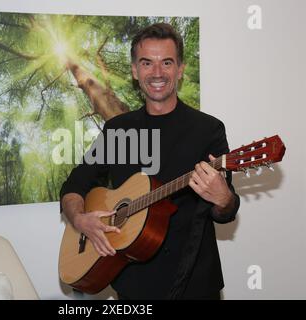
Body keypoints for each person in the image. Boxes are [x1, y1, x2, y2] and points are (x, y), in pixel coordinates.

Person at [59, 23, 240, 300]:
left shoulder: (209, 129)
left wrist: (223, 198)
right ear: (135, 70)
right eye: (147, 63)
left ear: (179, 70)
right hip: (132, 285)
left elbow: (226, 210)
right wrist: (80, 220)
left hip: (195, 283)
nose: (157, 73)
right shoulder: (118, 130)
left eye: (166, 62)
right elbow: (74, 185)